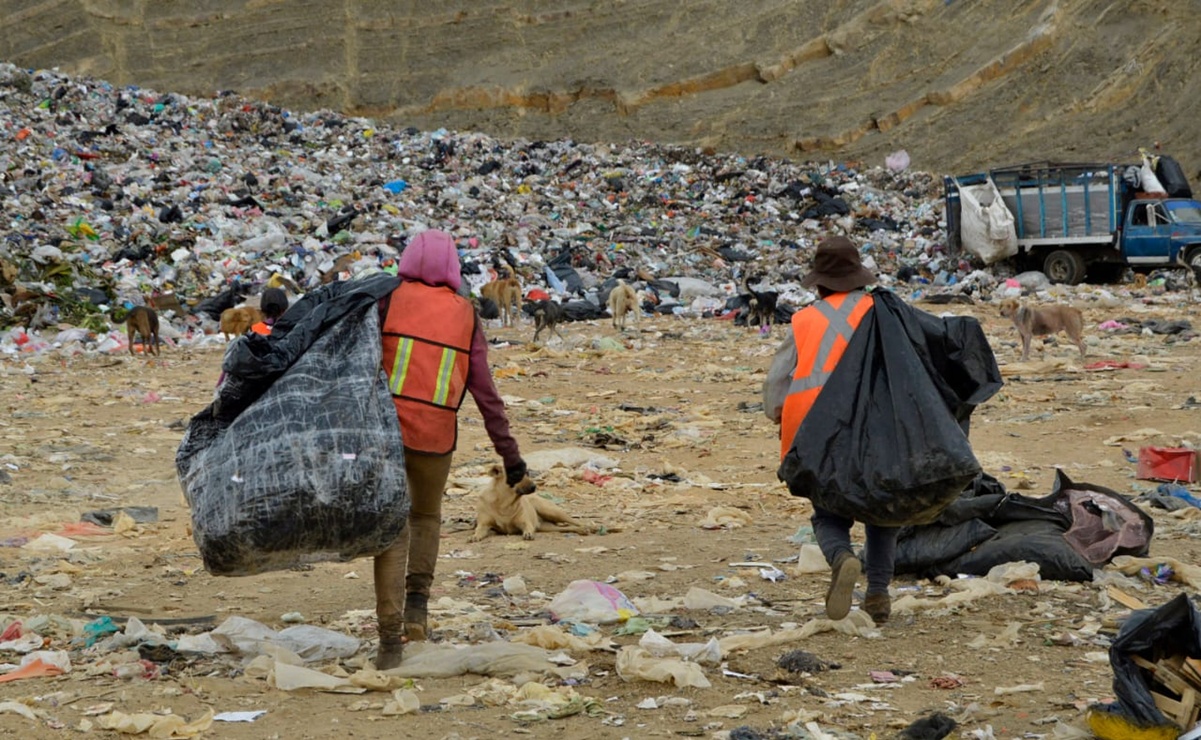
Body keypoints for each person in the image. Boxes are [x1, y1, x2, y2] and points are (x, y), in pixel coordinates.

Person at [374, 229, 529, 669]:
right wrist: (511, 457)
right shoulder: (465, 314)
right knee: (425, 517)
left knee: (391, 528)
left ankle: (389, 643)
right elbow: (486, 394)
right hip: (435, 437)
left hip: (385, 435)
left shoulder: (386, 300)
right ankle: (417, 612)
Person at [762, 235, 894, 624]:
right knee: (882, 511)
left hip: (814, 427)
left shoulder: (804, 320)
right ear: (858, 278)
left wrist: (776, 414)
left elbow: (776, 381)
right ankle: (878, 594)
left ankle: (841, 557)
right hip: (874, 423)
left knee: (827, 511)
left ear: (819, 284)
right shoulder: (880, 311)